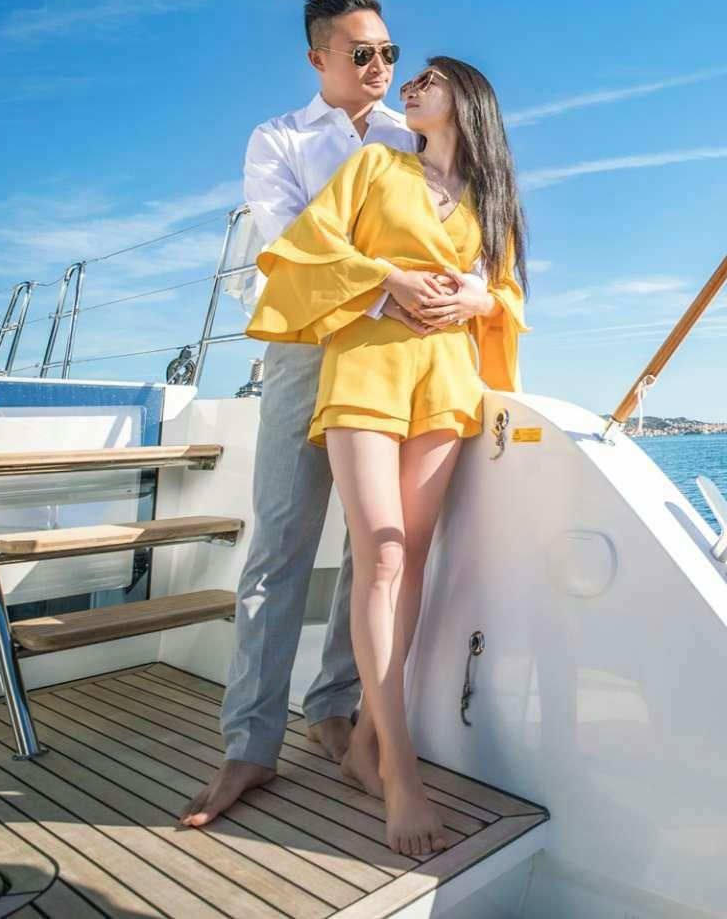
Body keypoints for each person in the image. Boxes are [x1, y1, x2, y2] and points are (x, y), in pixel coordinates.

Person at [243, 55, 529, 855]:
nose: (410, 82)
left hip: (444, 380)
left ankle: (367, 740)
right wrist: (389, 276)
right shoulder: (374, 164)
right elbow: (304, 250)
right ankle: (400, 772)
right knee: (383, 555)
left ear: (468, 102)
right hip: (366, 362)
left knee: (416, 557)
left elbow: (506, 292)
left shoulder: (488, 202)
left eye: (428, 75)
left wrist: (482, 297)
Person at [180, 0, 431, 829]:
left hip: (389, 359)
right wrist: (385, 283)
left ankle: (332, 706)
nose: (382, 67)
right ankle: (248, 745)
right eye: (364, 53)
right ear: (319, 56)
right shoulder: (277, 139)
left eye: (390, 52)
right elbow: (289, 244)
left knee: (373, 545)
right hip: (300, 353)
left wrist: (403, 288)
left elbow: (441, 231)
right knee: (280, 547)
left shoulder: (412, 138)